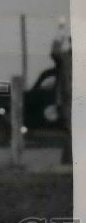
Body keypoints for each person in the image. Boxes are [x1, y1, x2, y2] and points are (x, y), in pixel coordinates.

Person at [51, 18, 72, 165]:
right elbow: (55, 52)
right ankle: (68, 162)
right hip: (69, 101)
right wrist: (61, 30)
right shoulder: (65, 58)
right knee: (70, 132)